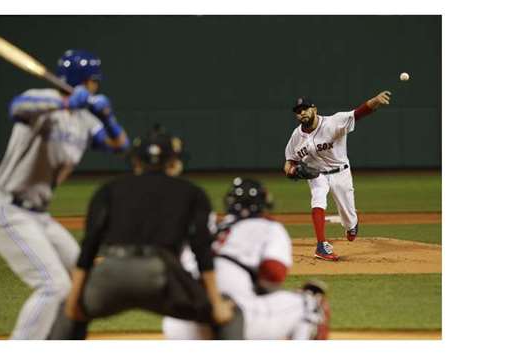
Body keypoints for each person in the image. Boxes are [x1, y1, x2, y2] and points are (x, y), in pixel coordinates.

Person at [0, 49, 130, 339]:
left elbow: (119, 146)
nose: (96, 87)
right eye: (93, 82)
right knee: (53, 286)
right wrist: (62, 101)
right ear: (85, 81)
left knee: (81, 280)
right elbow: (17, 107)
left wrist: (107, 118)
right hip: (7, 210)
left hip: (39, 216)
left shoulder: (85, 120)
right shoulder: (41, 101)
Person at [48, 128, 237, 340]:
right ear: (173, 162)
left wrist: (73, 303)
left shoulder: (108, 189)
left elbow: (89, 247)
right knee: (228, 312)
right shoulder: (191, 192)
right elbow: (201, 250)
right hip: (162, 276)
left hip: (111, 273)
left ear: (136, 162)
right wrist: (216, 305)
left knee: (67, 313)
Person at [162, 178, 331, 340]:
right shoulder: (269, 227)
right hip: (234, 314)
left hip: (180, 323)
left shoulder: (208, 226)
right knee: (310, 304)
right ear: (264, 203)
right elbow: (275, 273)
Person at [283, 91, 392, 261]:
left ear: (314, 109)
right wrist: (291, 171)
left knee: (349, 219)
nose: (302, 112)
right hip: (317, 174)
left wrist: (376, 101)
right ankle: (321, 246)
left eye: (305, 109)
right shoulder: (296, 136)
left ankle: (351, 225)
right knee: (318, 199)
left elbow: (359, 113)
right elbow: (289, 161)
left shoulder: (333, 122)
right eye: (298, 111)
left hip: (341, 173)